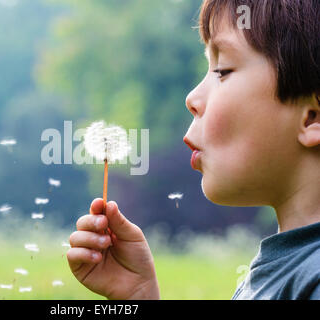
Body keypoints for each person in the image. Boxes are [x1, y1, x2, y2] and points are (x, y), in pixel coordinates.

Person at [66, 0, 320, 300]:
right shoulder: (279, 270)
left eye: (223, 70)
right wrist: (140, 295)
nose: (192, 97)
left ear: (311, 117)